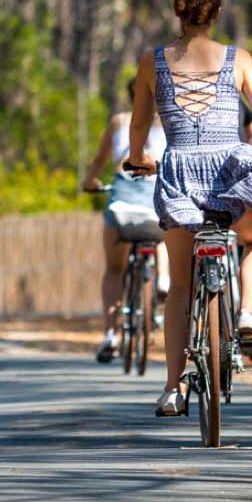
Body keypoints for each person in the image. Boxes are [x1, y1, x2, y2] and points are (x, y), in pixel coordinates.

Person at [127, 0, 252, 418]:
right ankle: (248, 313)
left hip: (178, 172)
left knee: (179, 286)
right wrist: (243, 157)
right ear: (216, 12)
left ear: (177, 10)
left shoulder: (151, 60)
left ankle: (174, 389)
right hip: (231, 171)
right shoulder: (239, 59)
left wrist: (139, 158)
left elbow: (139, 127)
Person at [81, 79, 168, 363]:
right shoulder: (170, 122)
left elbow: (99, 160)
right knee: (167, 230)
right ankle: (164, 278)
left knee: (114, 270)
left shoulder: (119, 122)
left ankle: (111, 335)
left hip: (122, 205)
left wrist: (90, 180)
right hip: (156, 205)